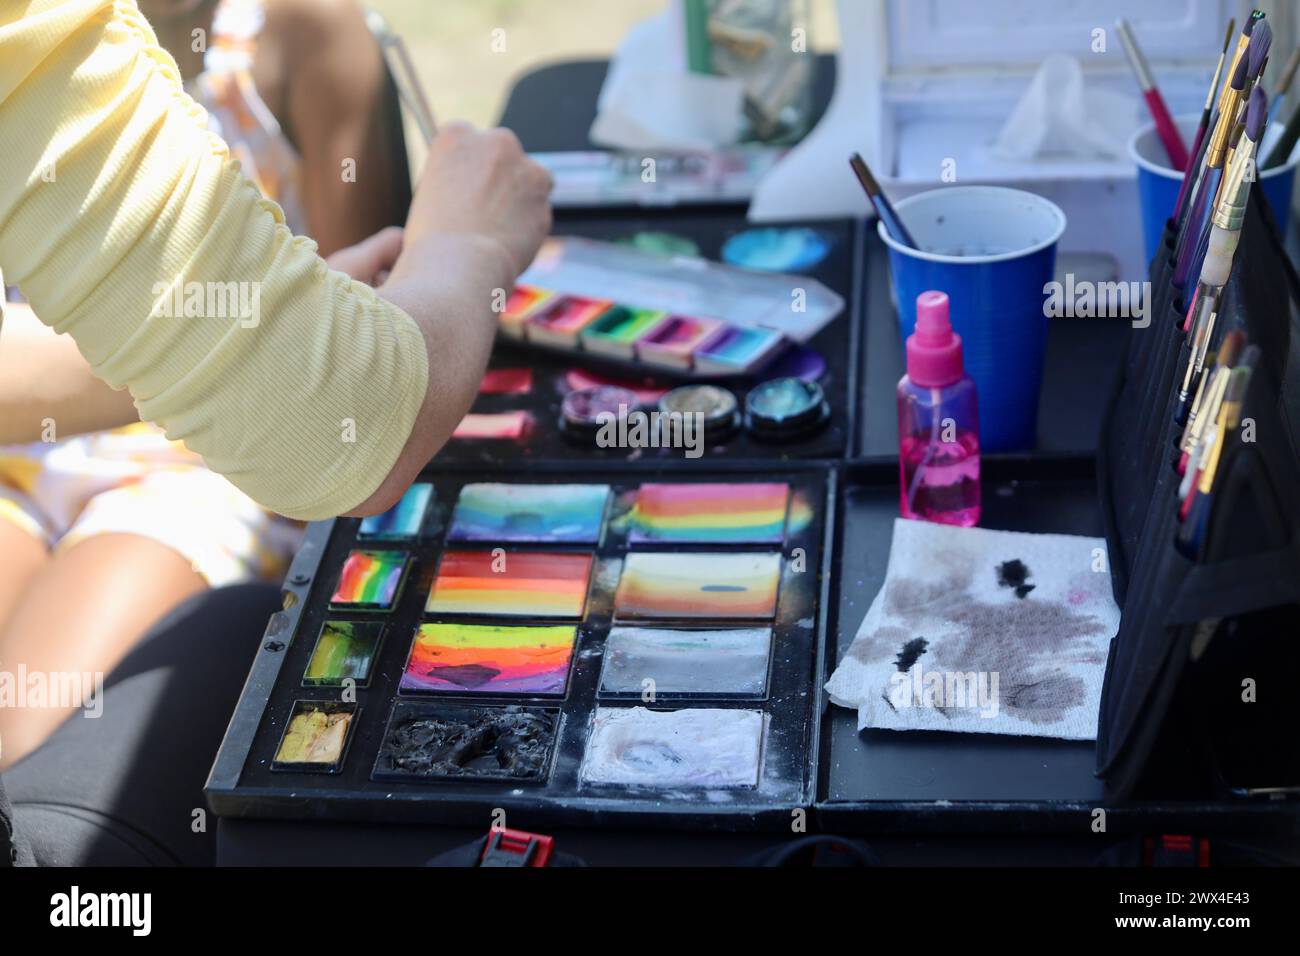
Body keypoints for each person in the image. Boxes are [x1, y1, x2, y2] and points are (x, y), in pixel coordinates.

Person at [0, 0, 549, 859]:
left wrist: (263, 336)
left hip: (185, 459)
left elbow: (332, 354)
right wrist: (470, 244)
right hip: (65, 445)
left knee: (25, 729)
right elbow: (345, 419)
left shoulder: (306, 33)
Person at [0, 0, 417, 768]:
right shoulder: (36, 36)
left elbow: (352, 347)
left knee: (23, 746)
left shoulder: (305, 31)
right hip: (29, 442)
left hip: (199, 457)